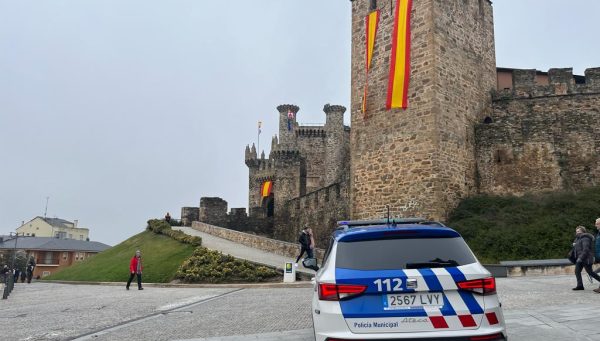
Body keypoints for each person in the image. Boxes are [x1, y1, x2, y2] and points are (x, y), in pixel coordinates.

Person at [572, 226, 600, 291]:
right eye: (576, 231)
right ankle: (580, 286)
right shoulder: (578, 238)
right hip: (580, 259)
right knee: (577, 271)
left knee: (590, 272)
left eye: (578, 231)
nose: (577, 233)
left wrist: (581, 258)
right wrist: (575, 245)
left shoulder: (585, 238)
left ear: (583, 231)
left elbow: (586, 249)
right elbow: (579, 249)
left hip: (586, 259)